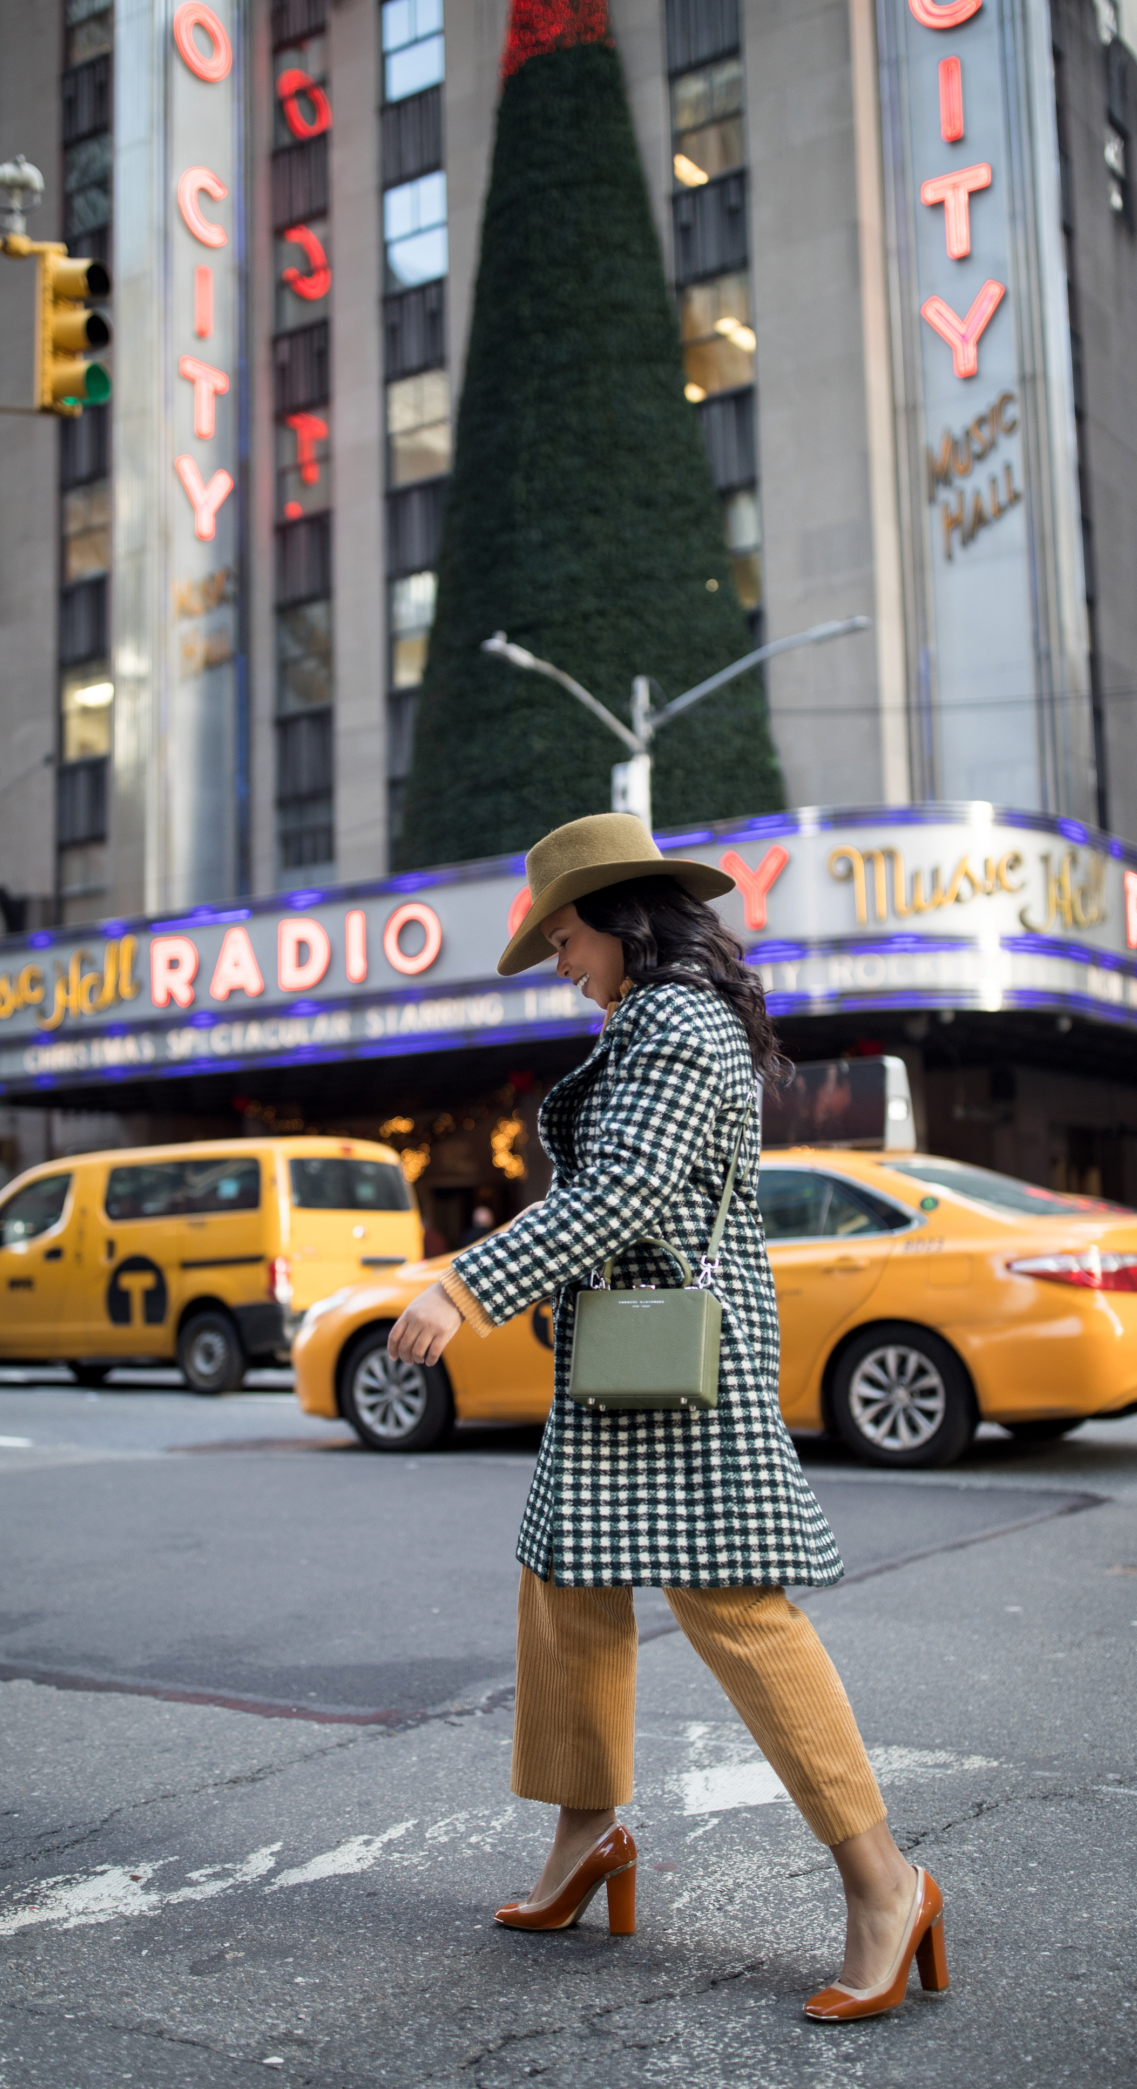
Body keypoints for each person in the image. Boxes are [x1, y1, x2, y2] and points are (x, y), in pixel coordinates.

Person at [389, 814, 947, 2023]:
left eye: (562, 939)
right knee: (566, 1582)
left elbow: (628, 1188)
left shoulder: (679, 1023)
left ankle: (887, 1885)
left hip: (684, 1364)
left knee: (735, 1605)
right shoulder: (651, 1021)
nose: (557, 964)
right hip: (625, 1359)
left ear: (618, 920)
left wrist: (464, 1286)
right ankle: (585, 1836)